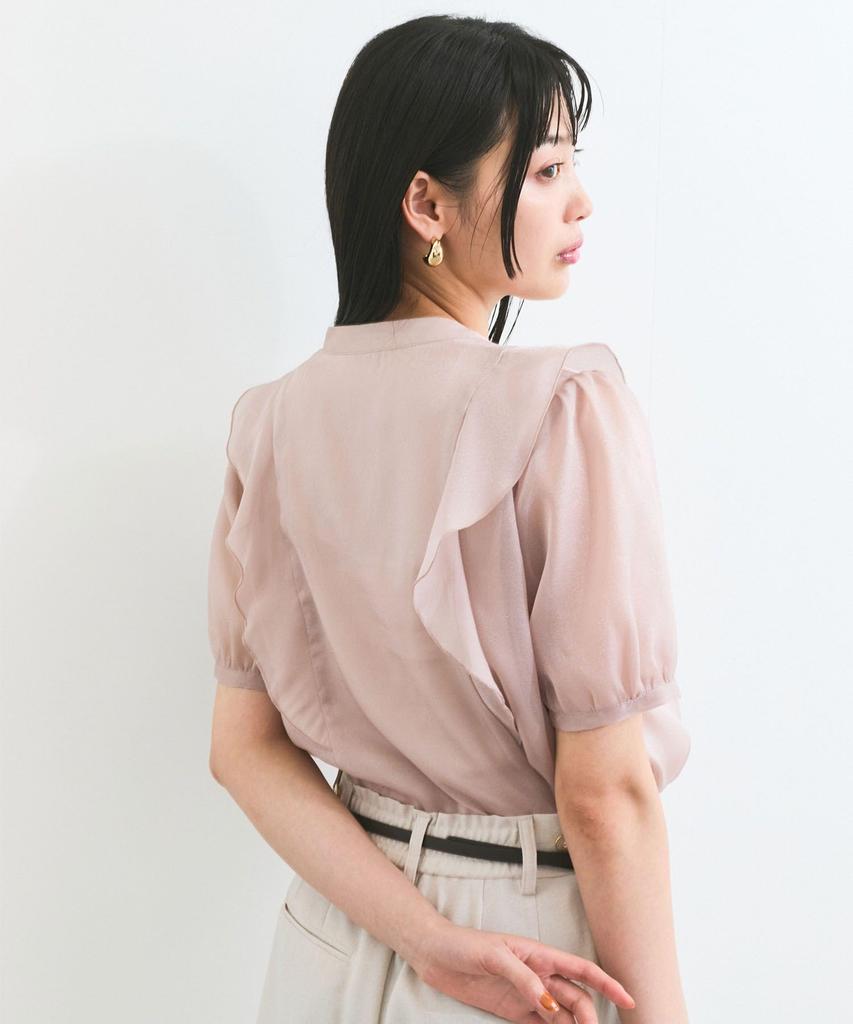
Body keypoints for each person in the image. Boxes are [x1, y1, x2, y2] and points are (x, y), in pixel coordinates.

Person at [206, 14, 691, 1024]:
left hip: (332, 938)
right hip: (527, 953)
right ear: (426, 202)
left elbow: (242, 749)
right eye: (546, 169)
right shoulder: (564, 405)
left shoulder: (268, 423)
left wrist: (425, 939)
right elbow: (605, 794)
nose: (580, 199)